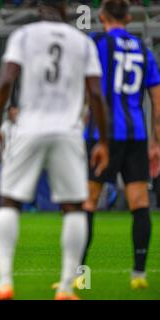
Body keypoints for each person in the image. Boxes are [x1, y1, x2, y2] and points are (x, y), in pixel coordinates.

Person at [0, 0, 109, 300]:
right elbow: (95, 94)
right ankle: (66, 288)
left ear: (39, 9)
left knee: (9, 201)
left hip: (29, 127)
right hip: (68, 131)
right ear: (65, 10)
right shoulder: (83, 43)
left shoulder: (24, 36)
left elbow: (5, 82)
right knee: (74, 207)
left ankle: (4, 283)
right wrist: (104, 141)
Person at [80, 0, 160, 290]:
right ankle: (138, 274)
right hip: (137, 135)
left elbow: (89, 88)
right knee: (139, 202)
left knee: (89, 201)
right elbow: (156, 97)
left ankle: (80, 274)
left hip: (103, 134)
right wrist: (156, 141)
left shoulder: (96, 42)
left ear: (101, 17)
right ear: (128, 17)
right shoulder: (142, 48)